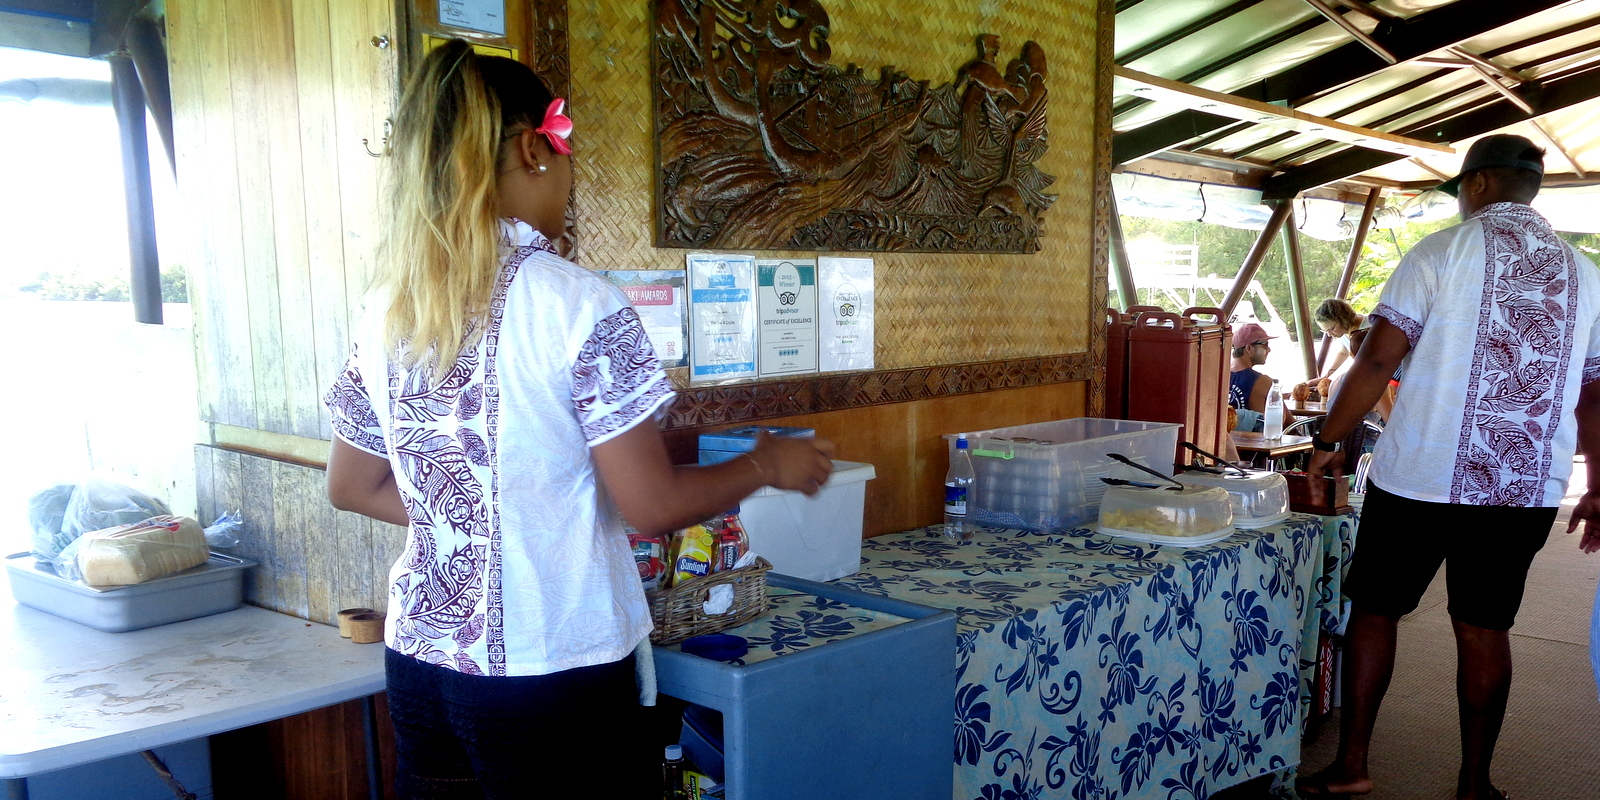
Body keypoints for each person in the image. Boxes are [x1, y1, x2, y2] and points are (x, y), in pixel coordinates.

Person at [320, 41, 835, 798]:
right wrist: (765, 464)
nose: (571, 179)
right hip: (550, 671)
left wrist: (483, 518)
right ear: (535, 150)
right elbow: (651, 505)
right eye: (567, 155)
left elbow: (352, 485)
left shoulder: (388, 309)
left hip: (422, 662)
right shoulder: (575, 305)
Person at [1299, 134, 1600, 800]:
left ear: (1479, 183)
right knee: (1485, 628)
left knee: (1375, 612)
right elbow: (1595, 394)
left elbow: (1378, 358)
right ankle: (1474, 784)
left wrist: (1327, 441)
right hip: (1522, 487)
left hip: (1420, 477)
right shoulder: (1586, 274)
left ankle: (1352, 766)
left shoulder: (1440, 251)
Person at [1228, 322, 1277, 431]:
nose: (1269, 349)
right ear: (1249, 348)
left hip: (1226, 440)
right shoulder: (1264, 383)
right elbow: (1287, 422)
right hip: (1256, 442)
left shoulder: (1217, 377)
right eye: (1265, 344)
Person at [1314, 298, 1367, 381]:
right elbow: (1344, 352)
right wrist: (1325, 377)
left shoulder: (1371, 326)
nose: (1329, 334)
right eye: (1325, 331)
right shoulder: (1343, 331)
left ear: (1343, 320)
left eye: (1332, 328)